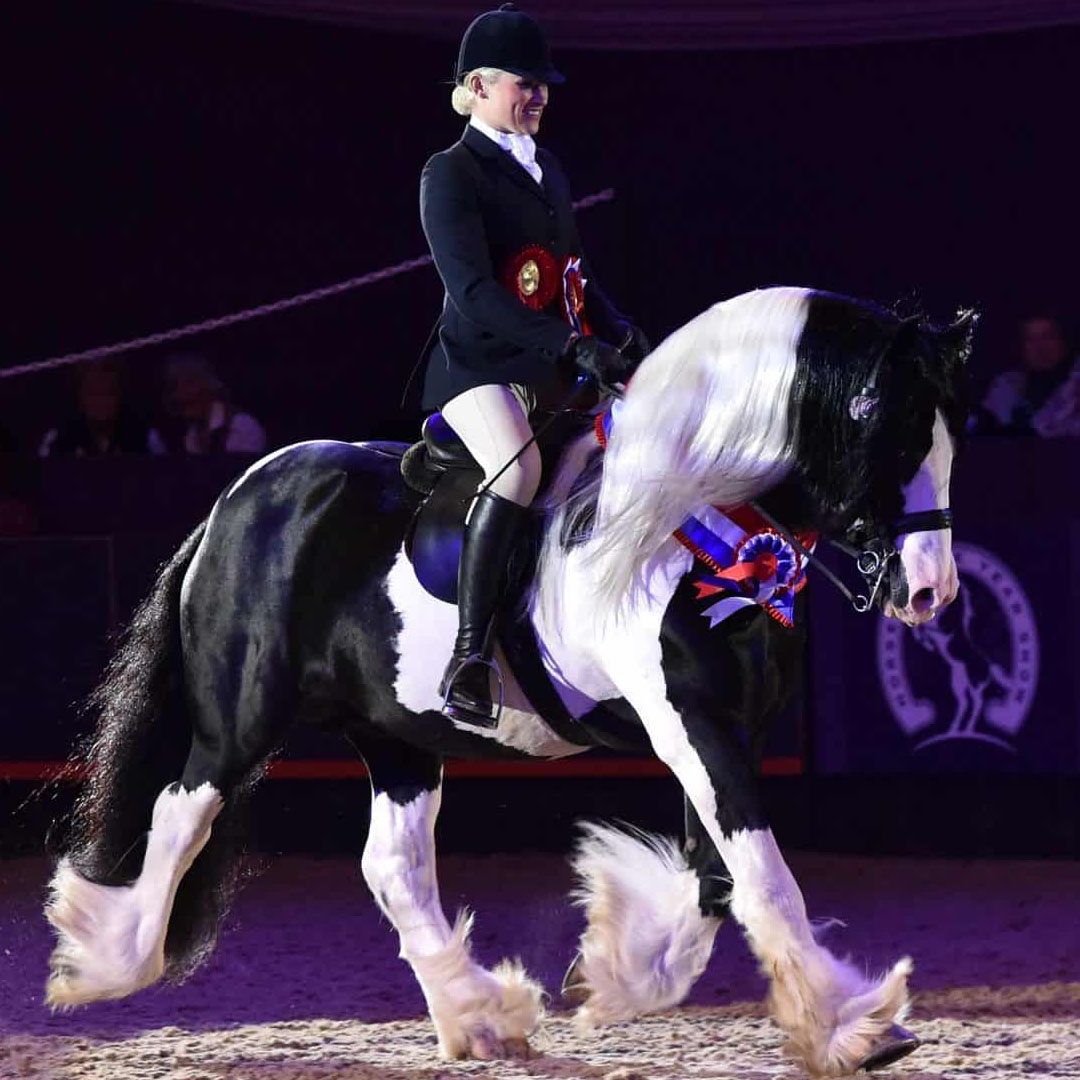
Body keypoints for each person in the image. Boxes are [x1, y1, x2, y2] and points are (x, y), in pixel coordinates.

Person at [419, 3, 649, 728]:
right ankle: (470, 660)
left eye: (545, 84)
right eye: (527, 82)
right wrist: (570, 346)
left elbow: (569, 274)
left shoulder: (547, 168)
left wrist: (617, 330)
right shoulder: (450, 173)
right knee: (518, 470)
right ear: (479, 86)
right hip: (474, 367)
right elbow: (475, 293)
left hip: (549, 367)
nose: (541, 95)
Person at [975, 315, 1080, 436]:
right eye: (1031, 340)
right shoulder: (1007, 384)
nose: (1041, 348)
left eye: (1048, 337)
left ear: (1064, 341)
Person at [39, 359, 160, 457]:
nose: (101, 401)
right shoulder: (57, 439)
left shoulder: (144, 437)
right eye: (93, 392)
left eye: (108, 392)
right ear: (80, 395)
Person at [158, 352, 267, 454]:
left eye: (190, 384)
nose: (181, 394)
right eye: (175, 386)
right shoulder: (191, 434)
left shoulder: (241, 426)